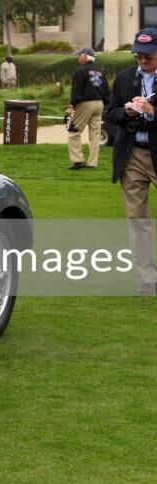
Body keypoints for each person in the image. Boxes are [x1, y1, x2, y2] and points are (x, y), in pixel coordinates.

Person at [105, 28, 157, 295]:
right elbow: (110, 112)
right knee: (137, 220)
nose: (143, 60)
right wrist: (126, 112)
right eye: (139, 55)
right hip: (133, 153)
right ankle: (148, 280)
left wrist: (151, 111)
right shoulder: (125, 78)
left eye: (149, 55)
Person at [66, 47, 110, 170]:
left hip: (85, 103)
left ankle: (77, 160)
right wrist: (105, 102)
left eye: (79, 55)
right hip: (99, 104)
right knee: (95, 134)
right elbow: (107, 90)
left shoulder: (80, 71)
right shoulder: (100, 71)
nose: (78, 57)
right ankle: (92, 162)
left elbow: (77, 91)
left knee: (74, 131)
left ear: (85, 56)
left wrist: (71, 106)